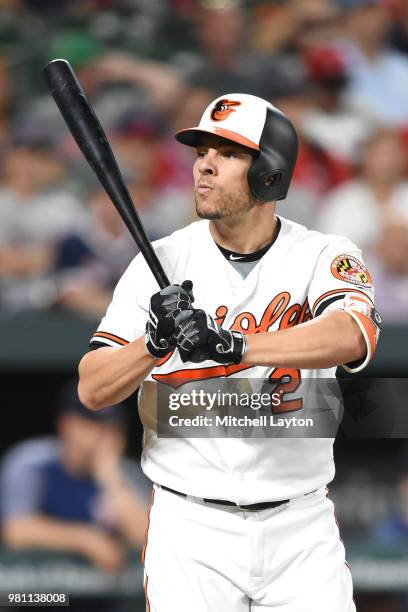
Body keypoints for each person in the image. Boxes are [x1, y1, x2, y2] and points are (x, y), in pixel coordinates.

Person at [78, 93, 381, 611]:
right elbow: (92, 386)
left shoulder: (322, 255)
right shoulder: (164, 260)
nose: (205, 166)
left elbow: (352, 334)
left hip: (299, 526)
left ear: (270, 172)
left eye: (228, 153)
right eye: (201, 153)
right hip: (190, 528)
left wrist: (235, 345)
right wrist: (152, 345)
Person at [1, 381, 151, 573]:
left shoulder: (122, 472)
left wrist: (110, 477)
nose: (103, 433)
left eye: (111, 426)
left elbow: (146, 538)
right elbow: (16, 531)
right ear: (66, 425)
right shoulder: (33, 462)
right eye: (92, 423)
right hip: (39, 595)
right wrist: (85, 539)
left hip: (104, 598)